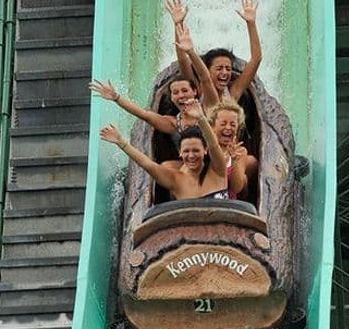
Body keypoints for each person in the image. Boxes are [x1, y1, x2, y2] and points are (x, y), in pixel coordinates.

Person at [100, 100, 230, 200]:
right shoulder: (175, 179)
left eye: (196, 150)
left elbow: (214, 144)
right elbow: (148, 164)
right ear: (180, 152)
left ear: (205, 150)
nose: (191, 155)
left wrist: (201, 118)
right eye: (186, 151)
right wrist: (121, 142)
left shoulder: (218, 170)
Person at [169, 0, 262, 108]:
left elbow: (256, 59)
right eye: (219, 68)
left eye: (228, 69)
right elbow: (182, 61)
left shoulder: (232, 94)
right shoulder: (198, 90)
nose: (224, 72)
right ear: (207, 70)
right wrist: (178, 23)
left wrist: (251, 23)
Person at [89, 76, 200, 141]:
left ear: (194, 91)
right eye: (175, 92)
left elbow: (206, 80)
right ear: (171, 97)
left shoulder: (208, 109)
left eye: (185, 90)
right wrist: (116, 97)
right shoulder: (173, 123)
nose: (180, 95)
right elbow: (144, 114)